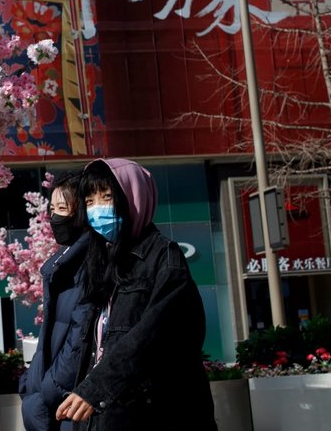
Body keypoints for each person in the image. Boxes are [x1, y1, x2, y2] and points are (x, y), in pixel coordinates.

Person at [55, 158, 216, 431]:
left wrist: (95, 388)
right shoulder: (104, 262)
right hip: (111, 416)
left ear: (135, 197)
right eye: (90, 201)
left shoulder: (165, 257)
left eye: (107, 197)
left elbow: (152, 336)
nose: (97, 209)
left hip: (158, 415)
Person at [19, 172, 91, 431]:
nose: (55, 217)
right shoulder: (63, 262)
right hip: (51, 401)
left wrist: (48, 388)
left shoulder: (89, 263)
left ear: (82, 211)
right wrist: (30, 383)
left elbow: (79, 337)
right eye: (52, 209)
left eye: (63, 208)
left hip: (66, 405)